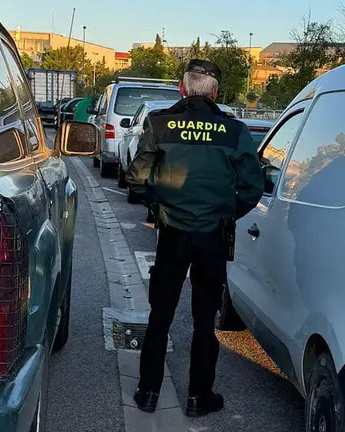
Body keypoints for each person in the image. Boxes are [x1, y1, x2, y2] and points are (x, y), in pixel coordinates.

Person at [126, 59, 264, 417]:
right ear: (215, 93)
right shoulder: (234, 131)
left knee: (161, 314)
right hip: (213, 236)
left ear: (181, 88)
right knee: (205, 318)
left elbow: (137, 178)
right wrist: (227, 211)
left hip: (172, 233)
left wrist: (158, 206)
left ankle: (147, 393)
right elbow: (253, 187)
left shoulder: (159, 124)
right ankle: (198, 397)